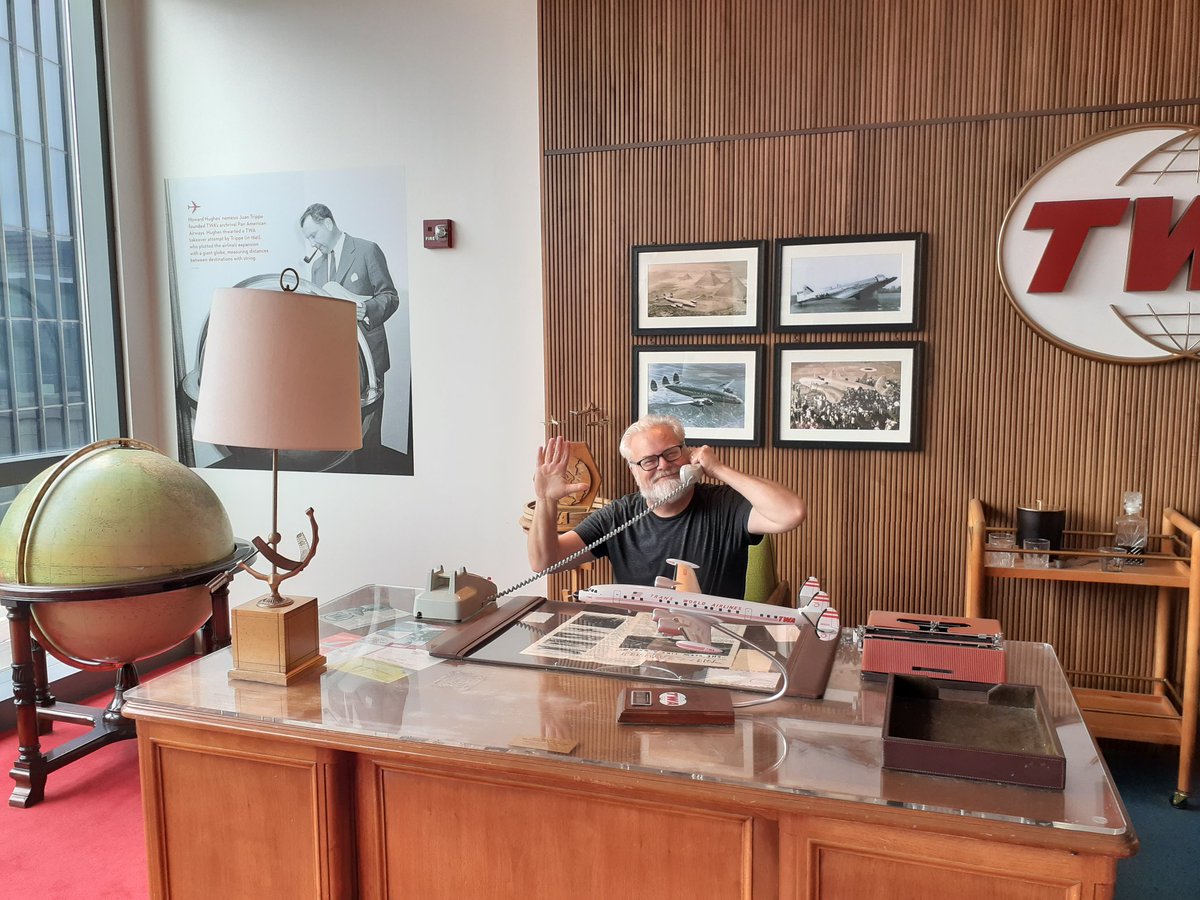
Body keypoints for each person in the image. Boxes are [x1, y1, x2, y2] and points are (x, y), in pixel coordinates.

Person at [528, 414, 806, 599]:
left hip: (715, 648)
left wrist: (718, 468)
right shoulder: (618, 516)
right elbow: (545, 562)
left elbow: (791, 513)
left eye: (671, 453)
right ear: (634, 471)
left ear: (688, 453)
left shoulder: (726, 504)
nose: (663, 465)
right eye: (648, 461)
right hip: (636, 652)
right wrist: (546, 500)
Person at [299, 203, 400, 463]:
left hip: (368, 360)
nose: (312, 243)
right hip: (335, 364)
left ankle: (374, 483)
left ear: (328, 224)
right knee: (341, 434)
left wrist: (365, 309)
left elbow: (391, 297)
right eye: (308, 238)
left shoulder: (367, 250)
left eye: (313, 235)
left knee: (368, 434)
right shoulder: (317, 268)